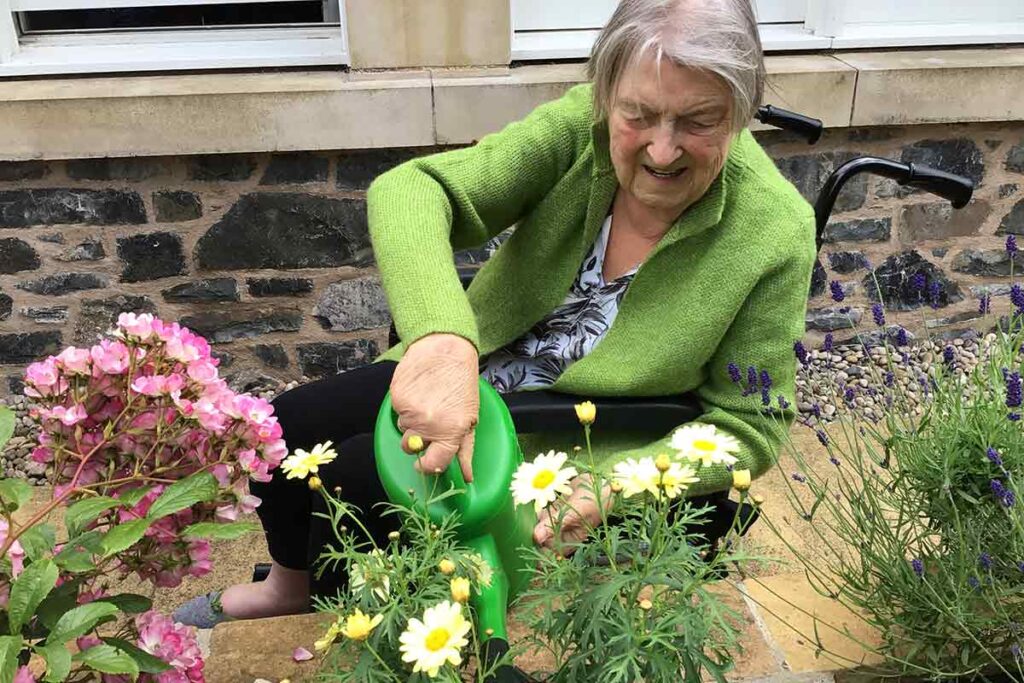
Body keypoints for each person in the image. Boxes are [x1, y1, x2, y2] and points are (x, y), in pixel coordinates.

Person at [174, 0, 816, 629]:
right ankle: (294, 585)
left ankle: (396, 614)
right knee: (276, 433)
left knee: (349, 474)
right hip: (470, 368)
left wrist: (621, 482)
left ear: (741, 110)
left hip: (570, 430)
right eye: (638, 114)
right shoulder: (579, 131)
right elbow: (413, 190)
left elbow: (750, 427)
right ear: (606, 94)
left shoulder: (775, 228)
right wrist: (441, 338)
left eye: (698, 121)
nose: (663, 150)